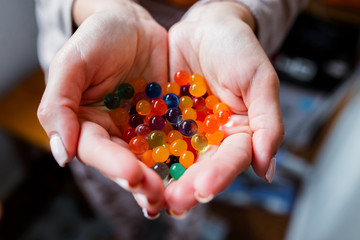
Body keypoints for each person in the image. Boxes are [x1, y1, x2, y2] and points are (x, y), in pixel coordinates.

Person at [35, 0, 307, 238]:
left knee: (195, 191)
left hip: (210, 58)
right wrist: (98, 6)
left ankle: (183, 235)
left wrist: (236, 11)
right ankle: (127, 230)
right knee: (108, 182)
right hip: (96, 85)